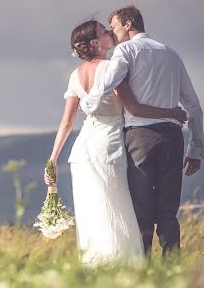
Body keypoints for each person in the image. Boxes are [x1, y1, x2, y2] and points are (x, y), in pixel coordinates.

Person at [45, 18, 187, 265]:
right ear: (96, 43)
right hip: (110, 145)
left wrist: (53, 158)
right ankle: (125, 262)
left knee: (94, 210)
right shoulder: (113, 67)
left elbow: (67, 123)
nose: (110, 32)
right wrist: (171, 112)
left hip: (84, 150)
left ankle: (96, 263)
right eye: (104, 31)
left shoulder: (75, 76)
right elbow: (134, 107)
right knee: (121, 206)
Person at [80, 5, 204, 255]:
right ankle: (171, 267)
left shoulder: (126, 50)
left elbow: (109, 80)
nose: (112, 34)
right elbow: (193, 105)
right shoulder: (171, 54)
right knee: (168, 212)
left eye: (113, 26)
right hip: (172, 137)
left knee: (142, 209)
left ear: (128, 24)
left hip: (140, 138)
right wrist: (196, 147)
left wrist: (88, 103)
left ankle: (143, 270)